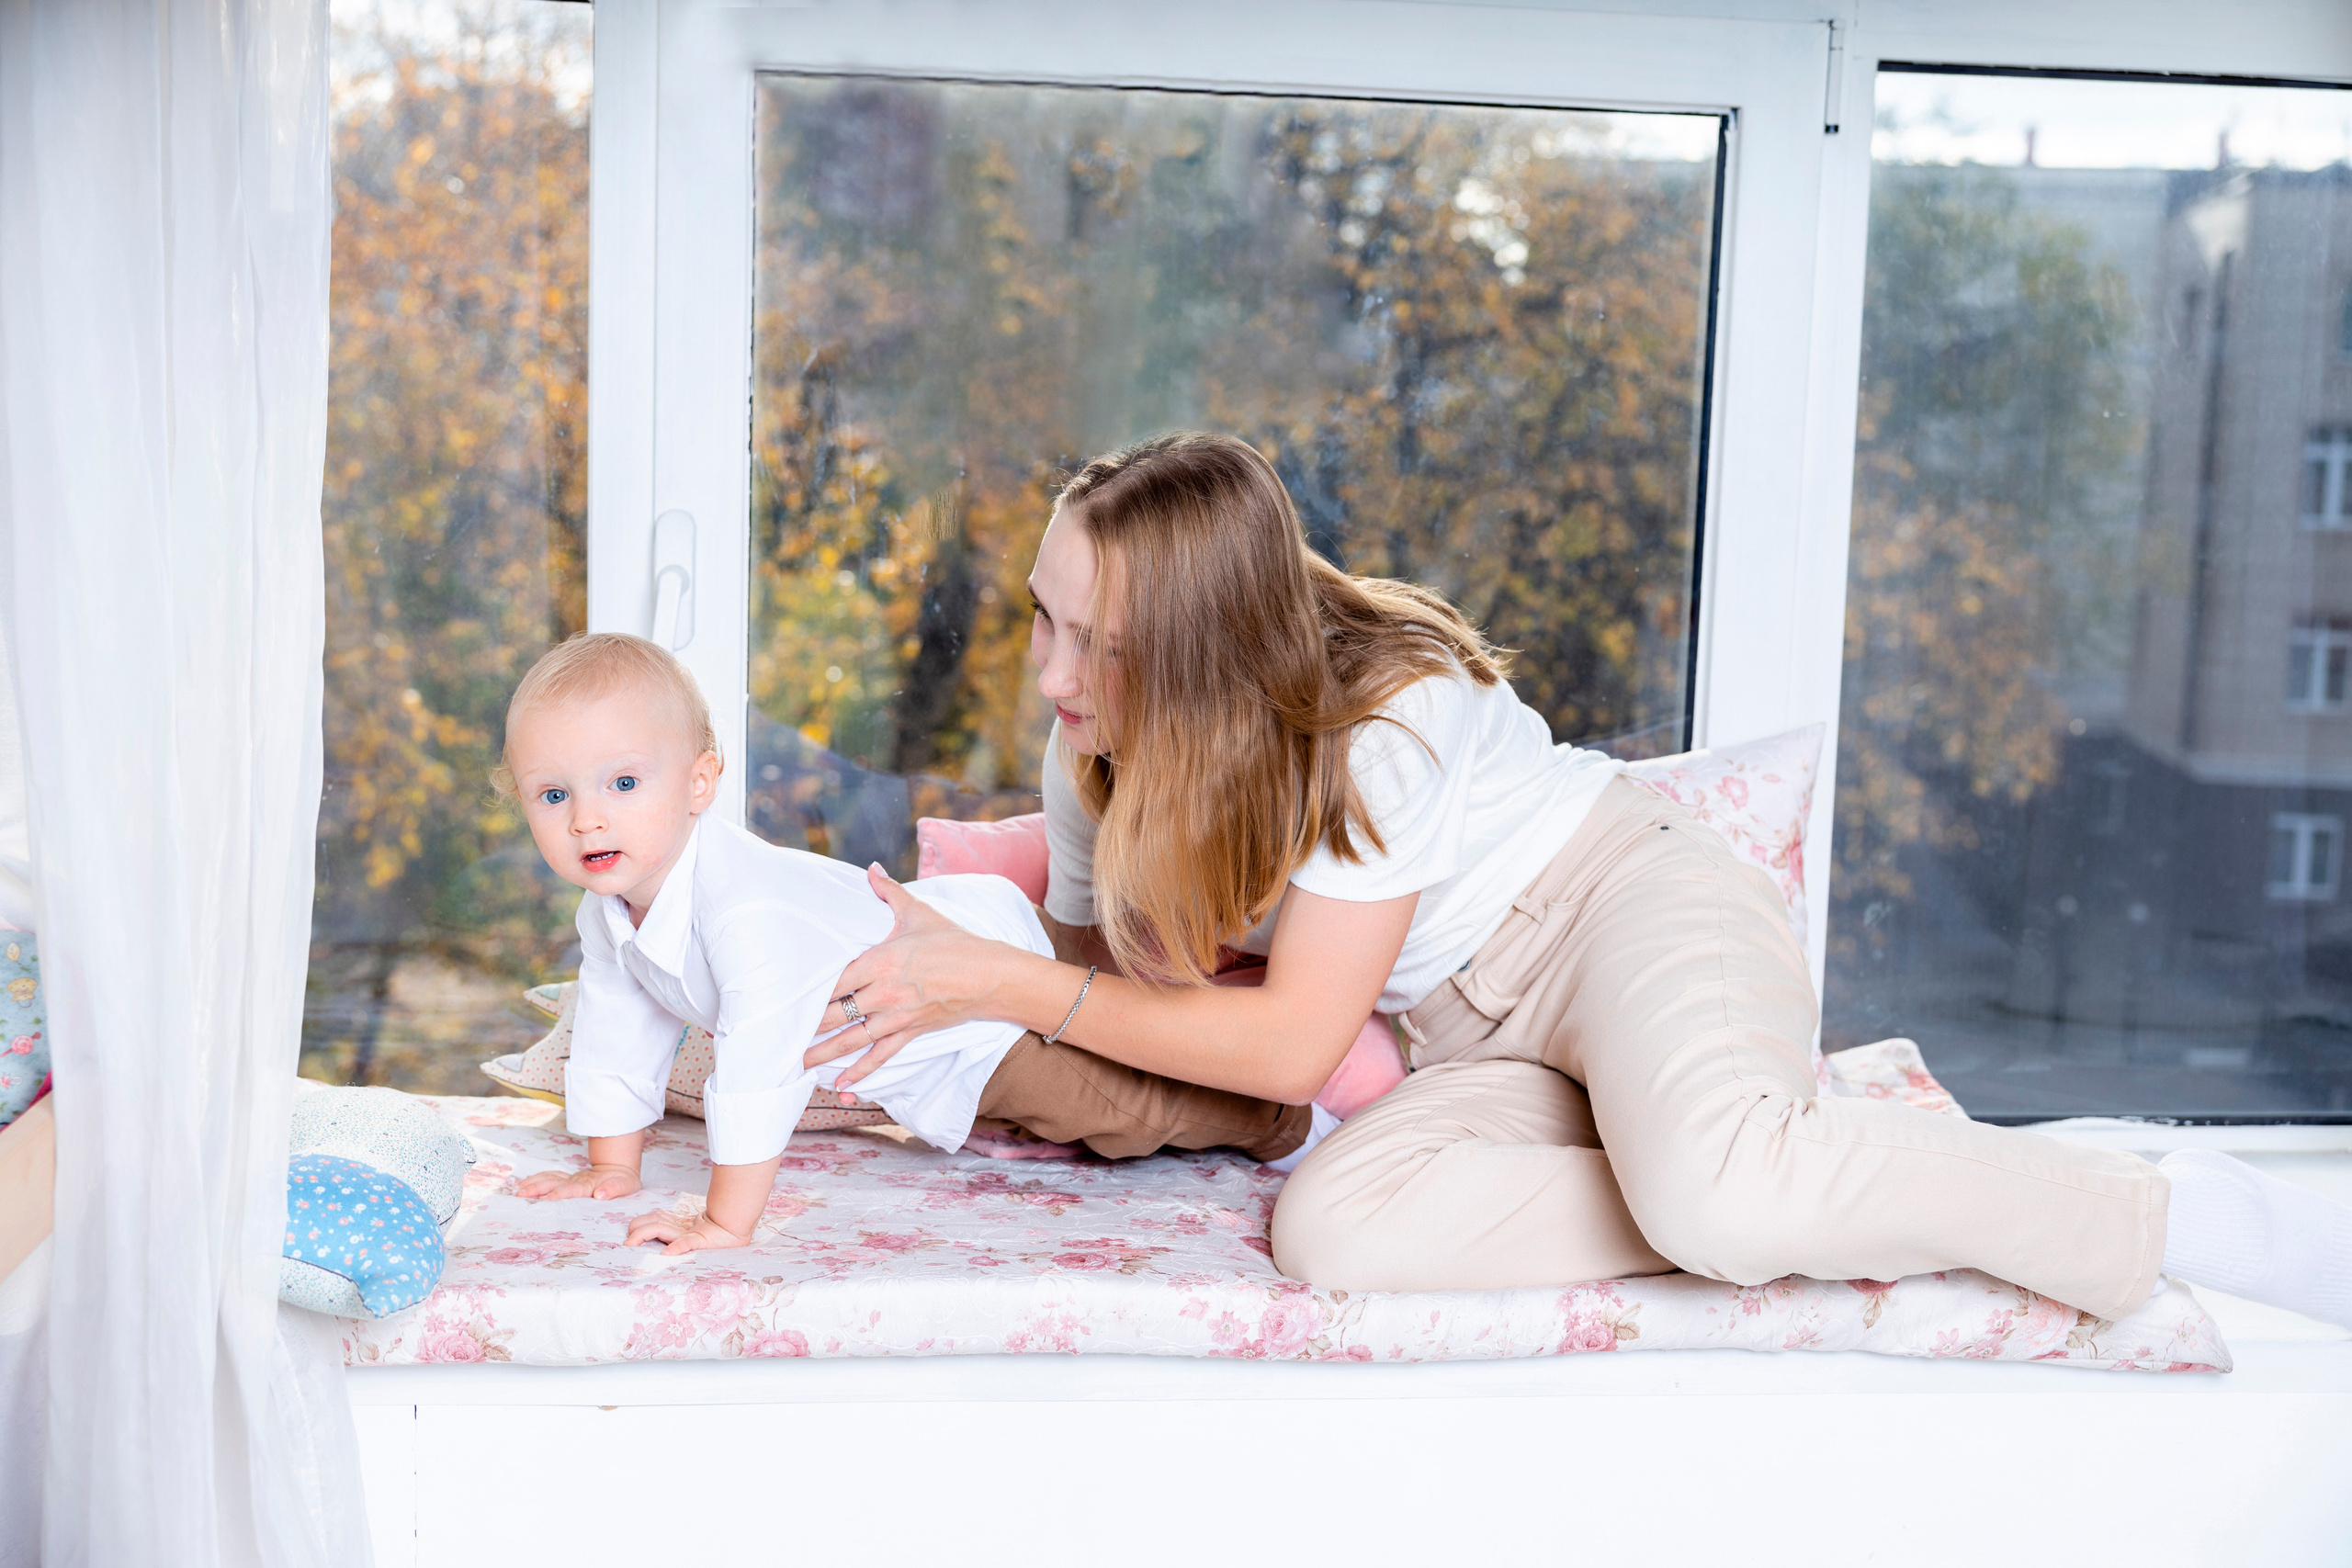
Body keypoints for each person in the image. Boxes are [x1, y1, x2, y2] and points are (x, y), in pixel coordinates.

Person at [809, 431, 2352, 1329]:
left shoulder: (1377, 719)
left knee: (1723, 1194)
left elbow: (1280, 1044)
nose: (1053, 674)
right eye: (1042, 617)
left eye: (1103, 643)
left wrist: (997, 978)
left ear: (1211, 654)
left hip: (1625, 910)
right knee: (1341, 1234)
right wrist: (976, 1004)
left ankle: (2158, 1212)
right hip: (1480, 1036)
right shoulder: (1101, 758)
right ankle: (1792, 1145)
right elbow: (1126, 1008)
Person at [500, 633, 1327, 1255]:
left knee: (1119, 1112)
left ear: (699, 783)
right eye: (553, 793)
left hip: (972, 1011)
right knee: (1088, 1095)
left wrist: (725, 1219)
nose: (586, 817)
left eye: (623, 782)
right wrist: (611, 1165)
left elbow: (759, 1065)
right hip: (940, 996)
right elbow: (617, 1025)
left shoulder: (741, 909)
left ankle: (1287, 1120)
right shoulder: (610, 910)